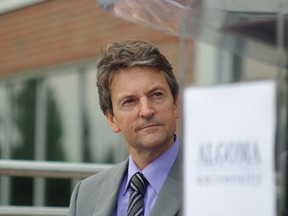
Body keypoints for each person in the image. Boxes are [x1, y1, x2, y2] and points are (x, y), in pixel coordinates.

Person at [67, 40, 181, 216]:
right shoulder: (85, 195)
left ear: (175, 104)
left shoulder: (213, 182)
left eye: (157, 94)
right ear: (112, 119)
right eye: (130, 101)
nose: (146, 110)